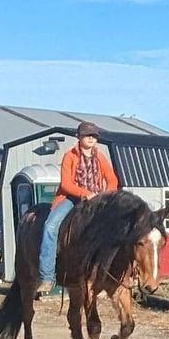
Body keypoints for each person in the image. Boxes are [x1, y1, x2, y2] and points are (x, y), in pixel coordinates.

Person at [37, 121, 119, 293]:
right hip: (72, 198)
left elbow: (112, 179)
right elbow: (66, 184)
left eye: (94, 136)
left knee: (116, 228)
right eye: (87, 135)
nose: (91, 138)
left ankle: (113, 274)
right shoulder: (70, 156)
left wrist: (106, 194)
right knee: (50, 226)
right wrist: (84, 193)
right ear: (79, 137)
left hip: (97, 199)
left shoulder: (100, 157)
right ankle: (47, 276)